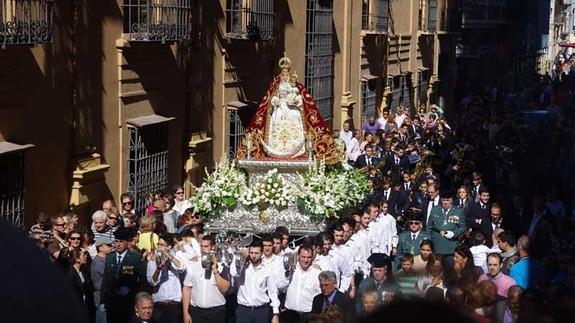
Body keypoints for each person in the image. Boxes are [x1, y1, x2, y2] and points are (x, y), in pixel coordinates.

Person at [101, 227, 147, 323]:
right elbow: (105, 280)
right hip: (112, 301)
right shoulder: (110, 257)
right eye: (116, 241)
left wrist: (132, 290)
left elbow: (143, 280)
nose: (118, 244)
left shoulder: (135, 258)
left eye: (121, 242)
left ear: (128, 242)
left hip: (128, 301)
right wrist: (102, 301)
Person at [182, 235, 231, 323]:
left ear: (213, 247)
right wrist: (185, 312)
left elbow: (225, 289)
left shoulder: (222, 265)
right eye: (201, 246)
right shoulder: (193, 264)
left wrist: (215, 269)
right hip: (196, 312)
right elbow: (187, 289)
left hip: (216, 313)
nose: (202, 248)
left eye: (206, 246)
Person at [230, 240, 280, 323]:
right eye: (252, 253)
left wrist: (275, 314)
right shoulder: (242, 266)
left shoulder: (267, 268)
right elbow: (234, 273)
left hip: (262, 310)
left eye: (256, 253)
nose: (253, 256)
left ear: (261, 253)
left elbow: (273, 291)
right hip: (244, 310)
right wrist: (241, 256)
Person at [146, 233, 187, 323]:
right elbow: (152, 282)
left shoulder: (177, 256)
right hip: (159, 305)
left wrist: (168, 256)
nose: (159, 247)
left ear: (168, 246)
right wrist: (158, 268)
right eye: (158, 244)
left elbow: (181, 267)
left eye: (162, 245)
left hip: (174, 305)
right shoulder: (153, 258)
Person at [284, 244, 322, 322]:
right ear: (298, 256)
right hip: (290, 314)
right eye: (303, 257)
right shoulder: (292, 269)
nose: (306, 260)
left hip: (307, 316)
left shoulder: (317, 273)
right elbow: (281, 285)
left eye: (309, 257)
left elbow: (319, 295)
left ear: (312, 257)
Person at [429, 189, 466, 263]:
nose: (445, 202)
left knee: (450, 272)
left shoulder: (458, 211)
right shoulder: (435, 210)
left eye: (447, 200)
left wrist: (454, 233)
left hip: (451, 248)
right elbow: (429, 227)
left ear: (452, 200)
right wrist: (430, 242)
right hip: (437, 247)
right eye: (443, 200)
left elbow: (463, 227)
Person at [92, 236, 114, 323]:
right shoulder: (97, 261)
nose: (111, 247)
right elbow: (110, 274)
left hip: (107, 296)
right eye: (108, 245)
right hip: (101, 297)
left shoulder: (106, 259)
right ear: (100, 248)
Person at [66, 248, 91, 318]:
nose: (85, 256)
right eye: (83, 255)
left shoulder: (82, 270)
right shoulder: (70, 275)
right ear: (77, 259)